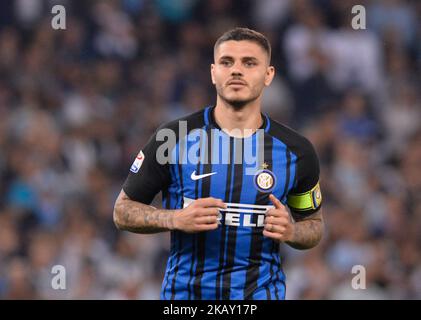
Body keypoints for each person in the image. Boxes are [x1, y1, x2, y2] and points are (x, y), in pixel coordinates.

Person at [113, 27, 324, 300]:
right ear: (214, 72)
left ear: (268, 74)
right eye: (227, 62)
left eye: (249, 63)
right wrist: (174, 218)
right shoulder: (173, 137)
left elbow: (314, 225)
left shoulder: (297, 151)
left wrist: (293, 231)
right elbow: (122, 211)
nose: (237, 70)